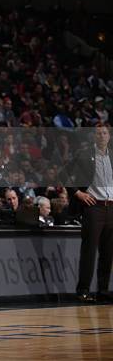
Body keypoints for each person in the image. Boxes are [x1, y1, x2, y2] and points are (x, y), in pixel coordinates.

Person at [72, 124, 113, 302]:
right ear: (94, 137)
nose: (102, 136)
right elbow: (63, 174)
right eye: (98, 133)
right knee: (89, 251)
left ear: (109, 136)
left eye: (105, 133)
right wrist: (78, 193)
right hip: (94, 207)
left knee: (108, 252)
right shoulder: (83, 154)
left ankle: (103, 290)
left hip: (111, 207)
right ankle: (83, 290)